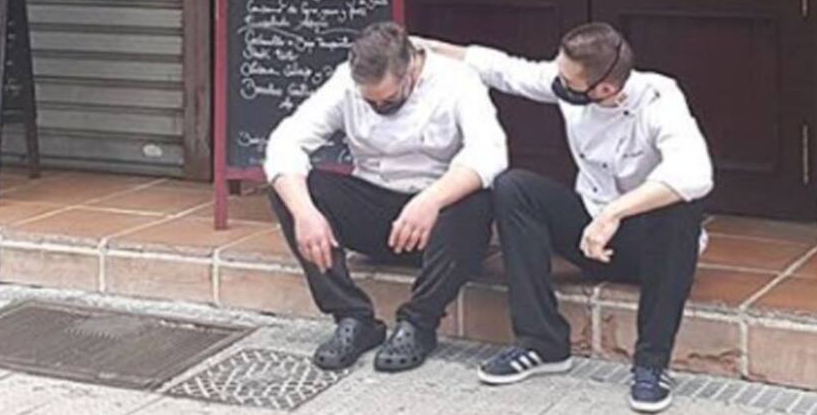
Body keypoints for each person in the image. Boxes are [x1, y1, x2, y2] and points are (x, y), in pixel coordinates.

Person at [423, 22, 713, 413]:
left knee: (681, 206)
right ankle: (541, 342)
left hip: (652, 248)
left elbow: (695, 173)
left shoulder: (660, 96)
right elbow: (505, 69)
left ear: (605, 89)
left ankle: (651, 364)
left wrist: (615, 212)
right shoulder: (572, 86)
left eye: (567, 79)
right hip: (589, 234)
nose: (557, 82)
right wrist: (427, 47)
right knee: (513, 187)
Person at [264, 21, 508, 373]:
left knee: (476, 201)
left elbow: (490, 153)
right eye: (370, 101)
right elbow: (286, 141)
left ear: (410, 69)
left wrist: (431, 201)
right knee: (292, 188)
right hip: (376, 212)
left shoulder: (457, 80)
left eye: (389, 99)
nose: (379, 106)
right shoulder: (344, 81)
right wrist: (305, 213)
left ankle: (418, 324)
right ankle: (352, 317)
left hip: (437, 224)